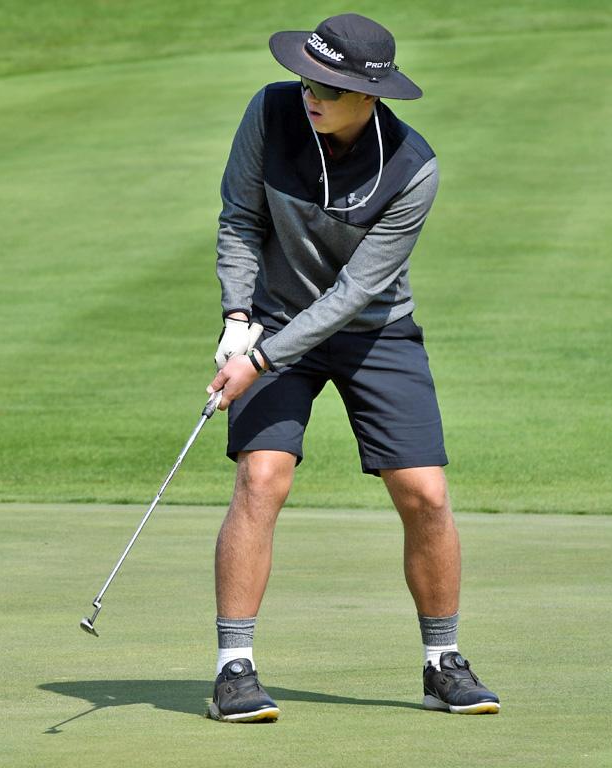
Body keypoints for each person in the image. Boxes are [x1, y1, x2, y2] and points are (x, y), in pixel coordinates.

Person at [204, 13, 500, 722]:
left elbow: (355, 294)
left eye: (329, 88)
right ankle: (233, 670)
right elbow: (240, 218)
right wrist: (238, 318)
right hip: (272, 319)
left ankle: (442, 663)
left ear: (370, 96)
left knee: (425, 493)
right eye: (307, 80)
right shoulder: (270, 114)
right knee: (261, 476)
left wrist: (261, 358)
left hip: (375, 331)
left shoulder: (412, 167)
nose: (311, 95)